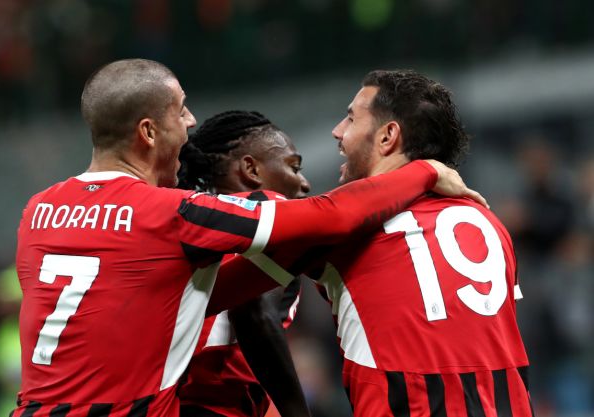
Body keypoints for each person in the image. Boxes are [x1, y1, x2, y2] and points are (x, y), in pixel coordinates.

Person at [13, 58, 483, 417]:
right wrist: (425, 170)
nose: (192, 121)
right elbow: (333, 216)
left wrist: (285, 263)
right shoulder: (169, 215)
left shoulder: (38, 210)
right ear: (148, 132)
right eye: (181, 111)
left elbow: (187, 295)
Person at [213, 69, 534, 417]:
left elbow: (243, 302)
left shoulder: (349, 228)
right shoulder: (488, 221)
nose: (338, 131)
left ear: (387, 137)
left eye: (351, 118)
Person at [176, 110, 311, 417]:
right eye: (294, 166)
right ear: (251, 169)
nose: (304, 182)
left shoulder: (188, 217)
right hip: (212, 402)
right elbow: (254, 313)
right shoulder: (267, 210)